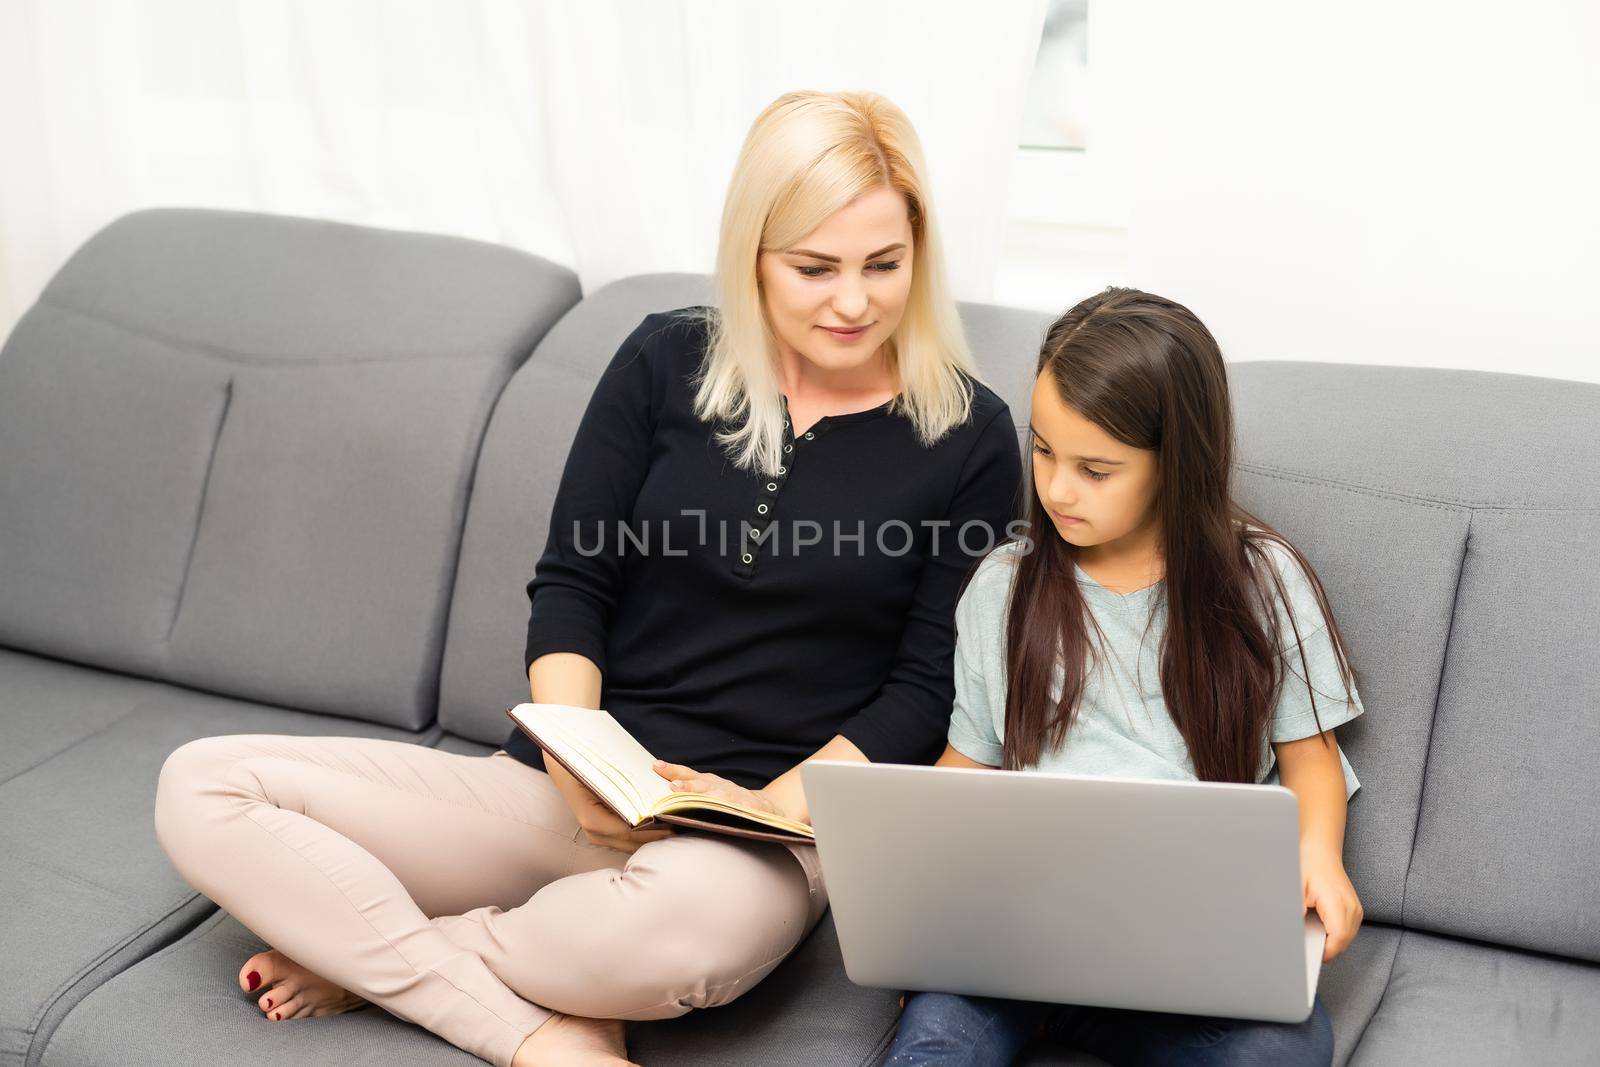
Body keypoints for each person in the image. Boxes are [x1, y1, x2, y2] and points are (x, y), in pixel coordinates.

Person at [152, 89, 1022, 1067]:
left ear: (920, 254)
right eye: (814, 267)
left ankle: (379, 956)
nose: (853, 301)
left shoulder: (971, 435)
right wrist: (579, 764)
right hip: (570, 787)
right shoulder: (665, 357)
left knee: (680, 934)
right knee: (202, 785)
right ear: (752, 255)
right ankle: (538, 1031)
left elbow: (922, 687)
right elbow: (573, 584)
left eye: (884, 265)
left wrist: (772, 808)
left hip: (762, 838)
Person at [881, 287, 1364, 1067]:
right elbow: (966, 768)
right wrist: (919, 911)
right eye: (1041, 451)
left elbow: (1312, 762)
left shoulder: (1263, 582)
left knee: (1278, 1049)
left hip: (1194, 964)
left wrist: (1320, 858)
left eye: (1096, 469)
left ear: (1180, 462)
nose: (1057, 488)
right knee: (937, 1039)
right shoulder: (1004, 586)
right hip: (1017, 951)